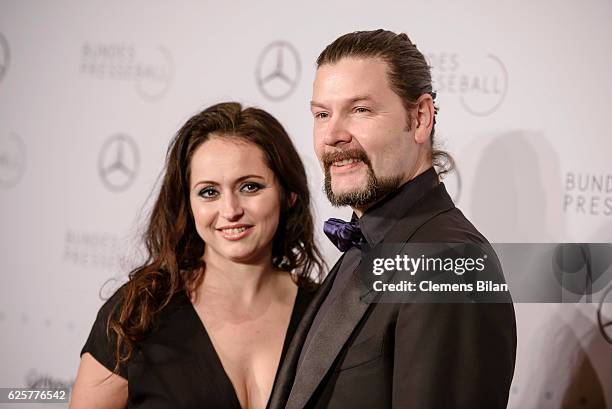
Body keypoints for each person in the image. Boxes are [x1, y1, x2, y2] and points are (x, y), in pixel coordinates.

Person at [268, 29, 517, 409]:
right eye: (322, 114)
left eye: (360, 110)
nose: (332, 135)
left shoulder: (451, 263)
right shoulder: (366, 242)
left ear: (420, 118)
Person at [70, 102, 323, 409]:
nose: (230, 210)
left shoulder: (325, 314)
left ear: (289, 195)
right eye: (209, 192)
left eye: (250, 187)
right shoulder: (138, 313)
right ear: (187, 204)